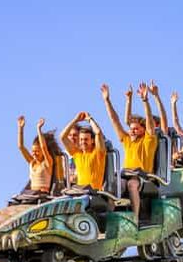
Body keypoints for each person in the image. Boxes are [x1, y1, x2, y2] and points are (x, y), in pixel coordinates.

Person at [102, 83, 158, 221]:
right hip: (126, 174)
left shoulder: (148, 140)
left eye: (136, 129)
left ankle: (135, 218)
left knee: (132, 185)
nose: (132, 131)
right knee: (112, 185)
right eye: (131, 128)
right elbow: (114, 120)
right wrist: (107, 100)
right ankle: (108, 218)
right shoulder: (127, 139)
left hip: (143, 176)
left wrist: (145, 101)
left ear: (143, 130)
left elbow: (150, 123)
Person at [9, 116, 61, 204]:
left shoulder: (47, 163)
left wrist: (39, 129)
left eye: (37, 151)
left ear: (42, 152)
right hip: (31, 194)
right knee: (14, 202)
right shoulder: (32, 162)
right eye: (33, 151)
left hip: (42, 195)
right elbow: (21, 147)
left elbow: (44, 147)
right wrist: (20, 128)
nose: (34, 153)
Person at [60, 111, 107, 192]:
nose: (83, 142)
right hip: (79, 191)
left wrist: (90, 119)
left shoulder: (98, 153)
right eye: (81, 139)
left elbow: (98, 132)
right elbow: (62, 137)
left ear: (92, 141)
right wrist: (75, 120)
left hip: (93, 192)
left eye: (86, 139)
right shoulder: (77, 153)